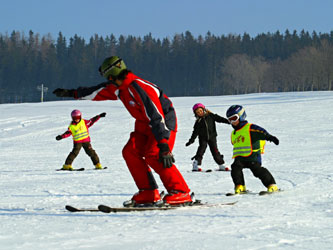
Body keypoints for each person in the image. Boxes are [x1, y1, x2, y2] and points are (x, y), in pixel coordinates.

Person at [53, 56, 192, 206]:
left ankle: (181, 192)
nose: (107, 81)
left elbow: (156, 116)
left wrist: (163, 144)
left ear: (111, 76)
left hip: (162, 124)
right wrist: (71, 93)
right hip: (144, 124)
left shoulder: (139, 88)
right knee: (130, 151)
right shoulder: (119, 87)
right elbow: (96, 91)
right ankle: (148, 192)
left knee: (155, 155)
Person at [226, 105, 280, 194]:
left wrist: (270, 137)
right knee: (235, 168)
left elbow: (261, 132)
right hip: (240, 157)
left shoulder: (250, 128)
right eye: (230, 120)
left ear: (241, 116)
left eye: (234, 118)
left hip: (253, 156)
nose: (232, 122)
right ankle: (240, 186)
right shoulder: (234, 133)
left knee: (257, 171)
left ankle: (272, 185)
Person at [185, 103, 230, 172]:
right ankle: (196, 165)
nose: (200, 113)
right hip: (203, 139)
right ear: (196, 114)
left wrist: (229, 121)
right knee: (201, 151)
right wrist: (191, 140)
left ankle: (221, 165)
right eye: (197, 112)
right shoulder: (198, 122)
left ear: (203, 110)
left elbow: (220, 119)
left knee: (215, 151)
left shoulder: (211, 116)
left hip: (212, 137)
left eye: (200, 111)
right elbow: (195, 132)